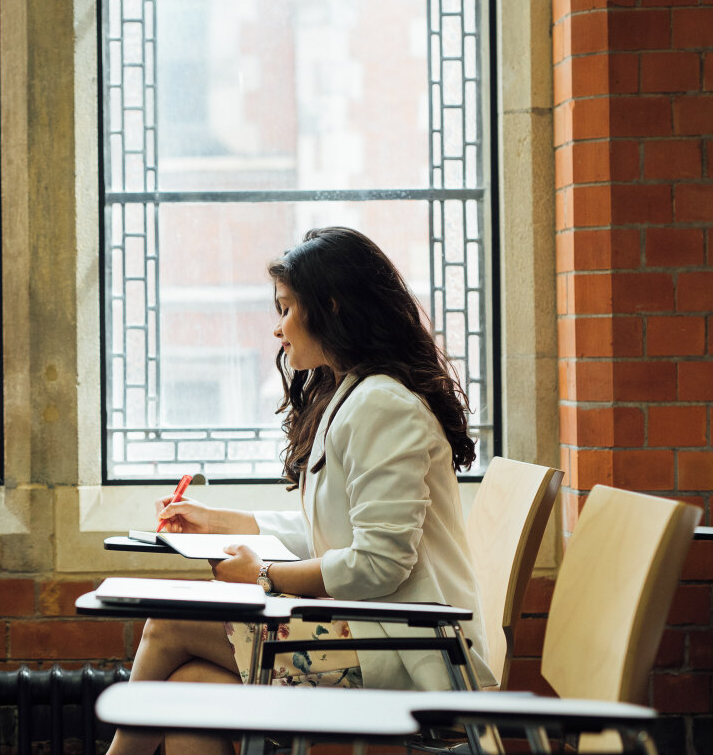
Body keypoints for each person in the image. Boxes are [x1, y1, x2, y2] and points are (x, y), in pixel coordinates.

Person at [105, 227, 496, 755]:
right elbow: (333, 534)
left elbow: (379, 565)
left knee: (171, 623)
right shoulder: (352, 393)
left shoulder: (383, 405)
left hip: (408, 649)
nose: (278, 329)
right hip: (375, 634)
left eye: (287, 309)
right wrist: (218, 521)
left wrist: (263, 575)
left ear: (329, 307)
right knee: (188, 691)